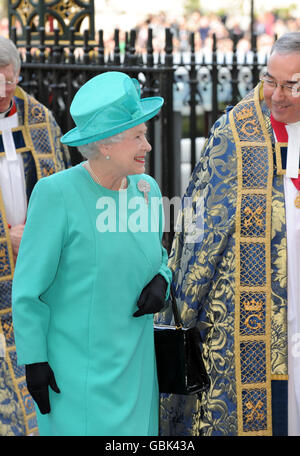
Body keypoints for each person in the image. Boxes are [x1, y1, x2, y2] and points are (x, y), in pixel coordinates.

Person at [12, 71, 172, 436]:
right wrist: (34, 359)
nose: (147, 146)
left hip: (136, 367)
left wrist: (163, 279)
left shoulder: (145, 190)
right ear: (104, 144)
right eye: (137, 136)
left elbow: (158, 255)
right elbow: (28, 289)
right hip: (75, 375)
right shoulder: (57, 195)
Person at [156, 32, 300, 436]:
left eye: (293, 84)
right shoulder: (235, 135)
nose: (278, 95)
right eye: (271, 80)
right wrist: (181, 310)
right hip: (250, 321)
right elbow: (198, 231)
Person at [0, 36, 70, 436]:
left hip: (38, 267)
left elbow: (64, 187)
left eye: (8, 82)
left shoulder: (40, 119)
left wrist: (39, 233)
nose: (2, 91)